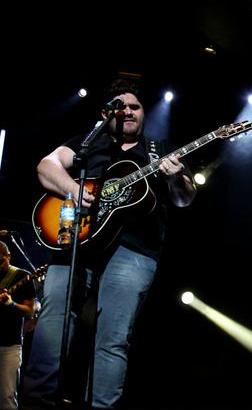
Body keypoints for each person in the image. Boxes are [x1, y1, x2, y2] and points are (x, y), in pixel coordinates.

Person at [23, 78, 197, 409]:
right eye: (121, 107)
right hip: (76, 243)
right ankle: (36, 402)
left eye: (135, 106)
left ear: (144, 112)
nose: (128, 112)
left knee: (112, 340)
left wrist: (175, 177)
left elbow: (184, 199)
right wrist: (74, 191)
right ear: (108, 113)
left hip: (134, 249)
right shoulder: (89, 144)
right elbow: (46, 166)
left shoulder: (159, 151)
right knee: (52, 322)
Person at [0, 242, 37, 410]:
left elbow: (30, 311)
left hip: (9, 345)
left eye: (0, 261)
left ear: (8, 256)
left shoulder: (22, 276)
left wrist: (11, 304)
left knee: (7, 398)